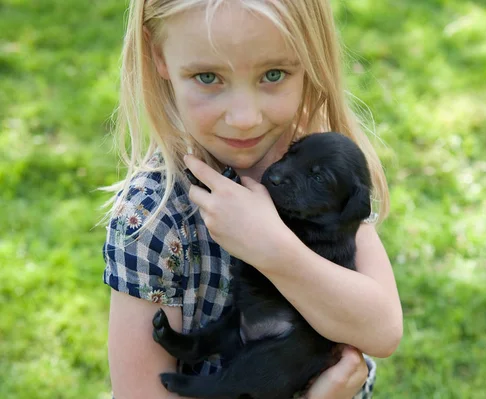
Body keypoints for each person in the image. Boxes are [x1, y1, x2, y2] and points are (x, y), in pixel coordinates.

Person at [101, 0, 404, 398]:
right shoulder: (152, 216)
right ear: (159, 56)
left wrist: (274, 251)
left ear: (310, 58)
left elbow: (383, 331)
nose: (244, 117)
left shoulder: (327, 176)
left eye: (272, 74)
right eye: (208, 76)